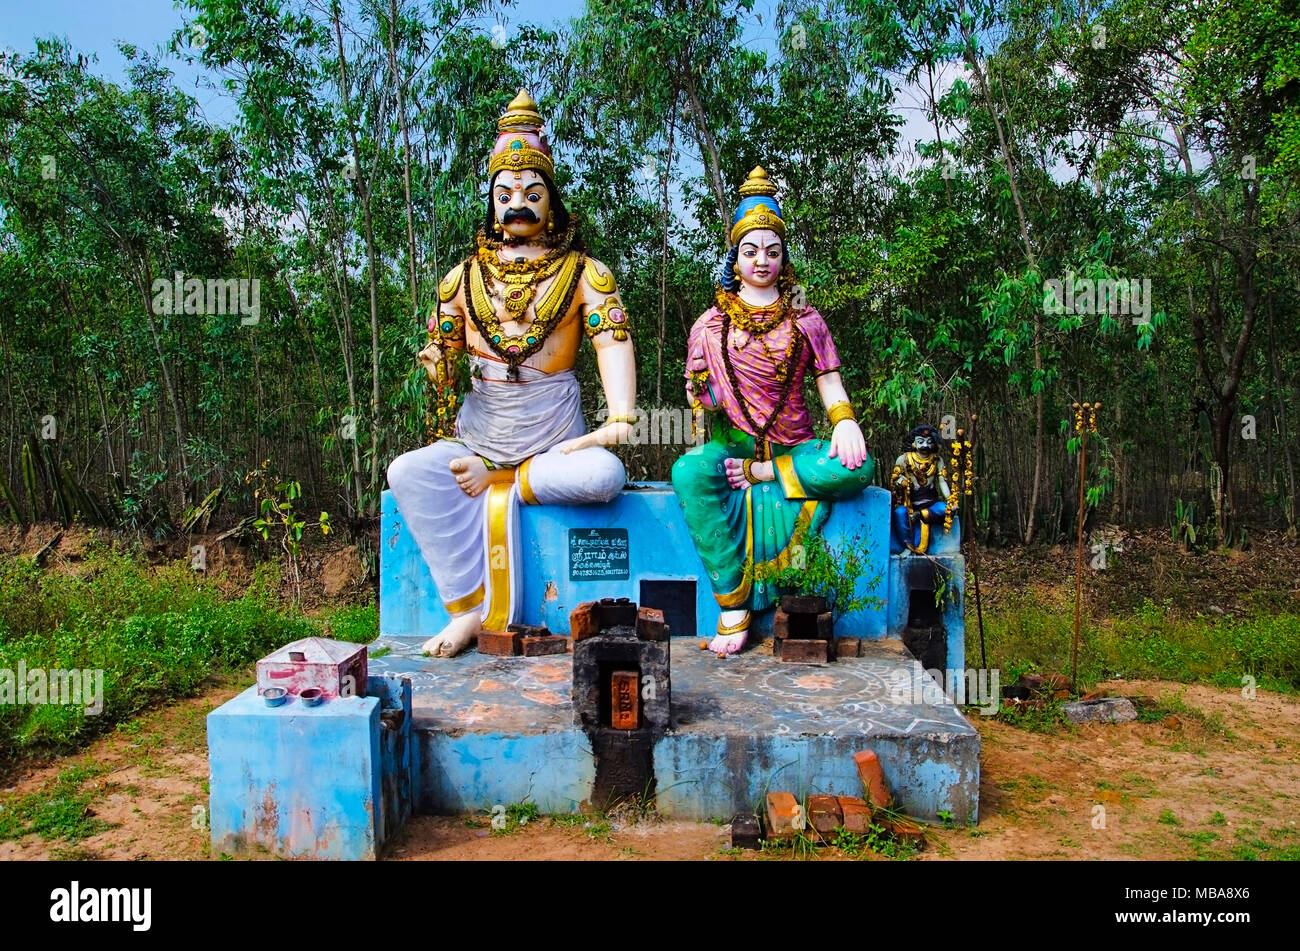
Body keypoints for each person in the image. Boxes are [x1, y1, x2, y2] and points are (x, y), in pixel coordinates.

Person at [386, 89, 637, 657]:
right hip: (480, 430)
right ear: (490, 203)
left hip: (553, 445)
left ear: (552, 203)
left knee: (604, 476)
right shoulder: (461, 279)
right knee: (406, 472)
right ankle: (469, 609)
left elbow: (612, 342)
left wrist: (621, 410)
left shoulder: (584, 274)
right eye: (504, 194)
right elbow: (445, 379)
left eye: (531, 193)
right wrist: (438, 369)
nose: (517, 203)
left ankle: (506, 481)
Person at [671, 166, 873, 656]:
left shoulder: (805, 317)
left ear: (785, 258)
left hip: (793, 446)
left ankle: (768, 472)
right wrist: (701, 390)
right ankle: (732, 602)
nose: (762, 261)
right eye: (750, 250)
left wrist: (844, 419)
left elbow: (827, 377)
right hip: (733, 445)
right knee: (689, 472)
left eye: (772, 251)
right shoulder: (710, 325)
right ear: (734, 257)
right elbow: (704, 404)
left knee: (859, 466)